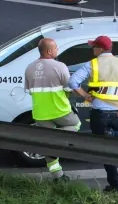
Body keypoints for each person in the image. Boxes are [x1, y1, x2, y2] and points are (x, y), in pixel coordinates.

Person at [67, 36, 118, 193]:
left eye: (94, 47)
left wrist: (85, 95)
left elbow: (73, 81)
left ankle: (115, 185)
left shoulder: (92, 64)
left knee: (105, 151)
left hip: (99, 115)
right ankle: (112, 135)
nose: (92, 49)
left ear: (100, 49)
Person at [23, 38, 81, 181]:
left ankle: (58, 176)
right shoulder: (60, 66)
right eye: (55, 47)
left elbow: (29, 90)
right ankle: (56, 136)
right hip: (60, 110)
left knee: (47, 141)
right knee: (76, 125)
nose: (57, 50)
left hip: (40, 113)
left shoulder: (29, 67)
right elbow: (69, 89)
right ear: (49, 51)